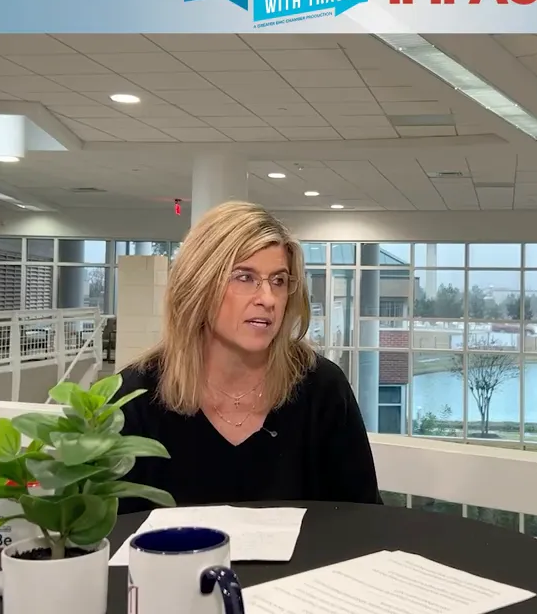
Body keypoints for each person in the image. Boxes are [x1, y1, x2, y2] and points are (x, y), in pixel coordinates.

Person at [113, 200, 381, 512]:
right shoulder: (135, 395)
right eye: (245, 277)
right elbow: (108, 537)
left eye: (278, 281)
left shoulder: (321, 387)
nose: (268, 299)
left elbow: (362, 520)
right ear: (198, 284)